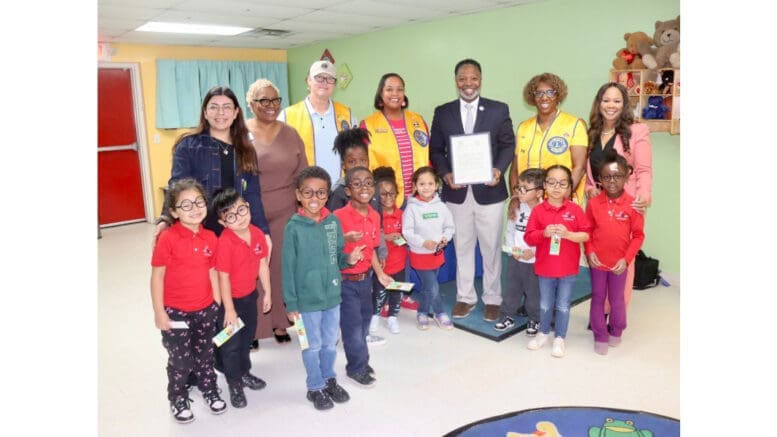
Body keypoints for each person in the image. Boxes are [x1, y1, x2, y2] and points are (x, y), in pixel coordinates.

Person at [429, 58, 515, 322]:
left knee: (490, 248)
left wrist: (499, 170)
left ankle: (492, 299)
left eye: (474, 78)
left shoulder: (498, 110)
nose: (468, 83)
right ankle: (465, 298)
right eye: (463, 79)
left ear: (481, 79)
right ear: (456, 81)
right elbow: (435, 149)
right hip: (456, 193)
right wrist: (445, 174)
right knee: (462, 246)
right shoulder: (443, 112)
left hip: (489, 192)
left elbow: (507, 145)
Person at [282, 166, 361, 411]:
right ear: (298, 195)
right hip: (306, 302)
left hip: (332, 298)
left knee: (329, 343)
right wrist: (291, 303)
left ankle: (328, 379)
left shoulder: (333, 222)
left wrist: (348, 259)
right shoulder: (293, 227)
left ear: (328, 195)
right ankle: (314, 386)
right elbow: (287, 268)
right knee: (311, 345)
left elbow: (336, 257)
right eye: (308, 193)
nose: (314, 199)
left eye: (321, 193)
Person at [150, 178, 227, 423]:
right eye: (185, 205)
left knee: (205, 355)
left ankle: (209, 388)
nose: (194, 209)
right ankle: (178, 396)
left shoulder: (211, 238)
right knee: (181, 360)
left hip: (205, 309)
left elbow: (212, 271)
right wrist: (159, 312)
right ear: (173, 212)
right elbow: (157, 277)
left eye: (198, 202)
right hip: (175, 313)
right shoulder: (168, 239)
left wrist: (215, 303)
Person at [156, 86, 270, 240]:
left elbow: (253, 194)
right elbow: (177, 186)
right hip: (199, 231)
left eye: (227, 107)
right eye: (214, 107)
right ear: (205, 112)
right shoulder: (188, 145)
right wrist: (166, 220)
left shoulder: (246, 150)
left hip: (236, 230)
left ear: (236, 112)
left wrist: (263, 232)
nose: (220, 113)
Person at [246, 78, 309, 345]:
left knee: (281, 268)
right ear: (250, 103)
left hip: (286, 210)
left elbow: (303, 173)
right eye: (263, 100)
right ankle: (255, 327)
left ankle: (281, 323)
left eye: (275, 100)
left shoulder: (291, 133)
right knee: (252, 269)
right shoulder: (239, 132)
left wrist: (306, 208)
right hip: (249, 213)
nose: (270, 106)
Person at [585, 82, 653, 315]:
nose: (610, 105)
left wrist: (643, 195)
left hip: (626, 203)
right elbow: (591, 171)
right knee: (597, 257)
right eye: (606, 100)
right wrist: (589, 188)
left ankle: (615, 313)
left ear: (624, 105)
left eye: (616, 100)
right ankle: (599, 309)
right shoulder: (593, 131)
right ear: (599, 103)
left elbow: (643, 169)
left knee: (622, 262)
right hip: (598, 206)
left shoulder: (637, 131)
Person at [211, 188, 272, 408]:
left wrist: (268, 292)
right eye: (231, 216)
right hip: (230, 303)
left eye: (242, 209)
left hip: (249, 298)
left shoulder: (256, 233)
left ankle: (244, 372)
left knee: (246, 339)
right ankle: (234, 383)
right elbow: (223, 278)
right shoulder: (225, 242)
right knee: (230, 344)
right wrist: (229, 309)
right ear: (223, 222)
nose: (240, 217)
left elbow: (263, 264)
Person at [334, 166, 394, 388]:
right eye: (357, 184)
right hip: (345, 282)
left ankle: (361, 359)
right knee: (352, 327)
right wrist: (346, 248)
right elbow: (330, 252)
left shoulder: (375, 215)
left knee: (365, 322)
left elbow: (371, 252)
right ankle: (356, 367)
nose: (364, 188)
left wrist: (380, 273)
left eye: (369, 182)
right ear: (348, 191)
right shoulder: (338, 217)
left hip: (366, 280)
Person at [524, 165, 591, 358]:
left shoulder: (575, 210)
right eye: (551, 182)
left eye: (562, 183)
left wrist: (569, 234)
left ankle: (560, 338)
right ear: (544, 185)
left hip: (568, 268)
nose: (556, 187)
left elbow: (586, 235)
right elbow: (529, 237)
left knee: (563, 305)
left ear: (569, 187)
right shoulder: (538, 211)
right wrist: (543, 233)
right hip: (545, 267)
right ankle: (543, 333)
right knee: (545, 304)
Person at [585, 150, 645, 355]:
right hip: (597, 262)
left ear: (626, 177)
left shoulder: (633, 205)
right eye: (607, 177)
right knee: (598, 296)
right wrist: (589, 251)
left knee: (617, 298)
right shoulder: (593, 204)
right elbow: (588, 231)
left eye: (617, 176)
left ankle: (616, 331)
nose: (612, 181)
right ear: (600, 179)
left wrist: (626, 260)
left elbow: (638, 236)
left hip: (619, 264)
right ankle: (600, 334)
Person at [510, 72, 588, 204]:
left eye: (550, 92)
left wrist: (561, 199)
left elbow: (579, 167)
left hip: (562, 204)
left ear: (558, 96)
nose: (544, 97)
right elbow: (515, 169)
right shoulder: (524, 127)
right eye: (539, 93)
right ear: (533, 98)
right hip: (528, 204)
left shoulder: (574, 125)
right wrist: (515, 198)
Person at [277, 60, 358, 182]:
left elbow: (357, 152)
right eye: (319, 78)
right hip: (305, 192)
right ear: (308, 80)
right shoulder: (287, 115)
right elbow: (279, 156)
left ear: (335, 85)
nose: (324, 83)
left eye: (330, 78)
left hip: (341, 191)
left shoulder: (347, 114)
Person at [360, 72, 430, 209]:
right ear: (381, 93)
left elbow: (429, 158)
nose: (395, 94)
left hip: (421, 197)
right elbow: (362, 164)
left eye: (400, 89)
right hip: (386, 199)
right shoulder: (368, 125)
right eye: (389, 89)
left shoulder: (418, 121)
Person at [402, 166, 456, 331]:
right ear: (415, 186)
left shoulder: (441, 206)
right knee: (433, 287)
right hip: (420, 254)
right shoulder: (411, 208)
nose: (426, 187)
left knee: (427, 288)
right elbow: (407, 232)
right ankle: (440, 313)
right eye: (422, 184)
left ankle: (422, 312)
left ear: (437, 185)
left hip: (437, 254)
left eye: (430, 183)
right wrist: (423, 242)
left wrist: (445, 238)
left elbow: (449, 227)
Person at [493, 168, 544, 336]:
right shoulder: (516, 206)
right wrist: (512, 250)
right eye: (519, 187)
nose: (520, 192)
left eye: (525, 189)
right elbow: (510, 231)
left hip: (534, 260)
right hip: (516, 257)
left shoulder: (544, 211)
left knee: (533, 292)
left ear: (538, 192)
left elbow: (547, 238)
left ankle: (534, 318)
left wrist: (534, 252)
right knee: (512, 289)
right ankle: (507, 316)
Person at [369, 167, 407, 335]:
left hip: (399, 264)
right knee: (378, 293)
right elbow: (370, 238)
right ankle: (374, 317)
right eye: (383, 194)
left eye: (392, 193)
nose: (388, 197)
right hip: (382, 265)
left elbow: (409, 238)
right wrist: (386, 237)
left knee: (397, 293)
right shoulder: (376, 215)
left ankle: (393, 317)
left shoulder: (402, 214)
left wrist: (400, 238)